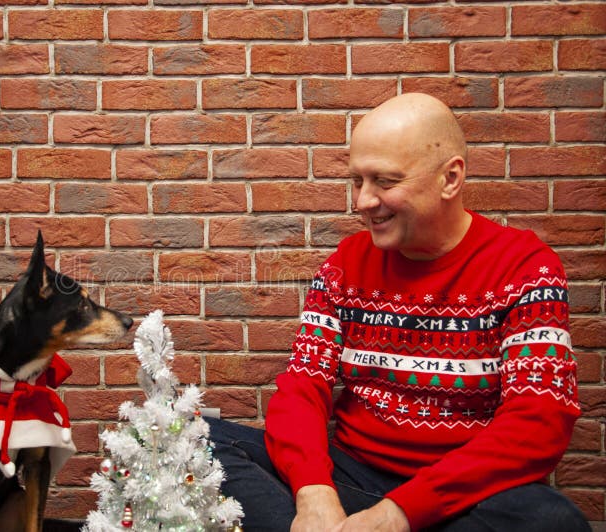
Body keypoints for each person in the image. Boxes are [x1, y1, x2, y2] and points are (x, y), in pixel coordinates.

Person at [206, 93, 590, 531]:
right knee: (192, 440)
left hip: (464, 494)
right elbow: (302, 388)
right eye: (357, 181)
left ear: (450, 178)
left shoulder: (525, 267)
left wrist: (399, 514)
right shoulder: (345, 265)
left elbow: (538, 423)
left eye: (385, 182)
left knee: (552, 522)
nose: (364, 202)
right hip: (350, 478)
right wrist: (313, 492)